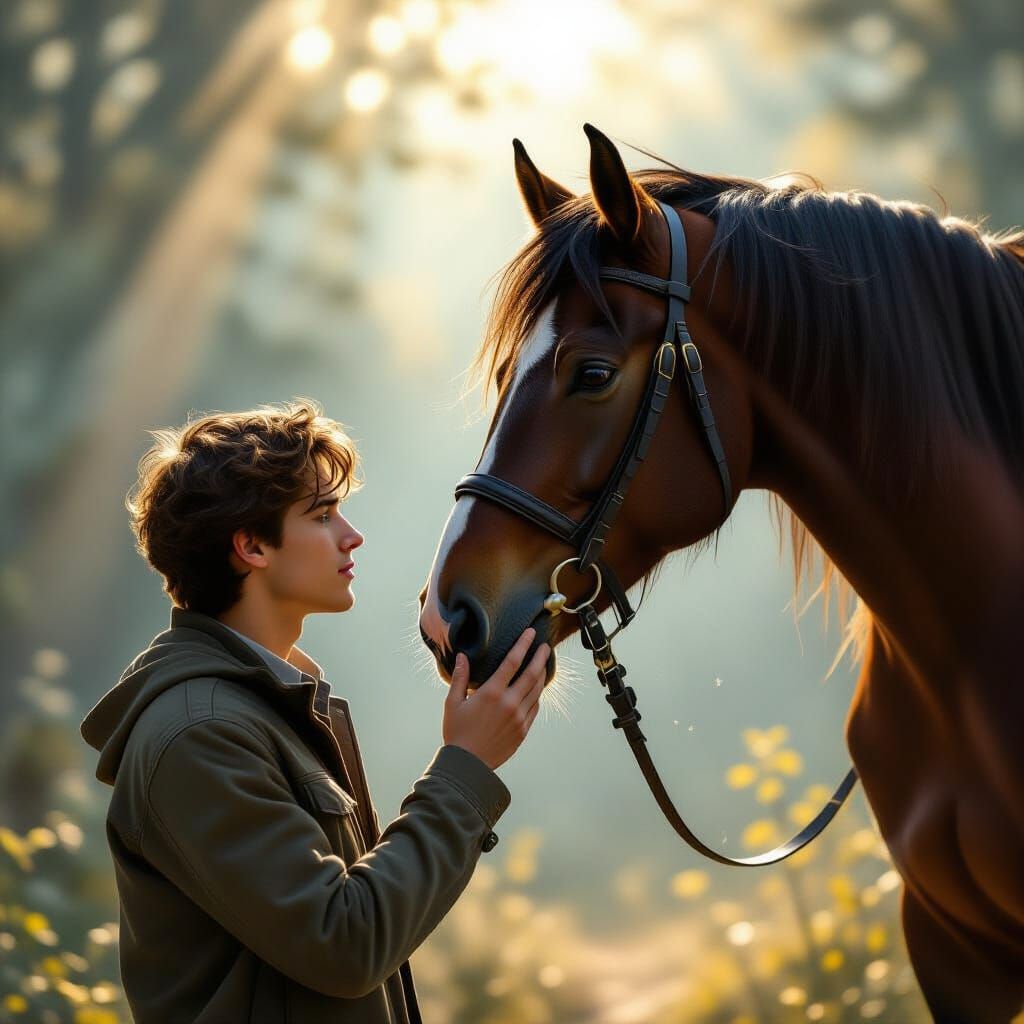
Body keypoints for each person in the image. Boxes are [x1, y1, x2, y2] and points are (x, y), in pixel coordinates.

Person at [79, 398, 549, 1024]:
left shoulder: (269, 709)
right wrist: (464, 768)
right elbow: (345, 945)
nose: (351, 534)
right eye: (322, 515)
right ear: (252, 546)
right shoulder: (200, 735)